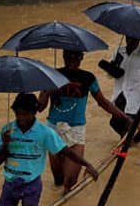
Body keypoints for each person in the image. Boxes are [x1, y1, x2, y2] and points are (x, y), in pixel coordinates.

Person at [0, 93, 98, 206]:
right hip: (10, 184)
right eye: (18, 114)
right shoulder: (7, 131)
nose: (21, 118)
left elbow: (66, 151)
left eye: (25, 114)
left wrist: (87, 164)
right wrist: (5, 144)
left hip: (31, 185)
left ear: (34, 113)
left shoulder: (45, 132)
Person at [37, 50, 129, 193]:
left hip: (76, 131)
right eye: (69, 57)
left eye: (76, 57)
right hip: (54, 130)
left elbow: (103, 102)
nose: (72, 60)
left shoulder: (88, 78)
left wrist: (125, 118)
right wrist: (48, 91)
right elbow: (40, 108)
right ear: (63, 57)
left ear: (82, 58)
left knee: (70, 182)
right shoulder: (52, 76)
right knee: (58, 180)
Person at [108, 36, 140, 143]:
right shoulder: (118, 52)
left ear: (139, 39)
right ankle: (127, 138)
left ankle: (125, 143)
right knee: (115, 122)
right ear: (125, 37)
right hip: (120, 94)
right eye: (129, 38)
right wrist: (112, 68)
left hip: (136, 96)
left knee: (130, 129)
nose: (131, 41)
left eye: (134, 39)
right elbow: (110, 75)